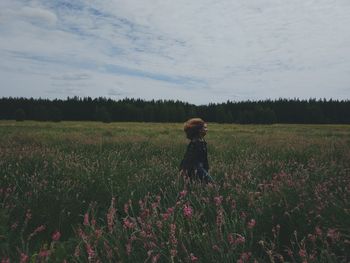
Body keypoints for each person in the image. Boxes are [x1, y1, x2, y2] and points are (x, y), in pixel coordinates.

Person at [180, 118, 213, 184]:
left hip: (201, 168)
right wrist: (183, 170)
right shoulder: (195, 143)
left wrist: (206, 168)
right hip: (196, 169)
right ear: (199, 130)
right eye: (205, 128)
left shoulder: (202, 141)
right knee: (211, 184)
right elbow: (188, 158)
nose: (207, 129)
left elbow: (204, 158)